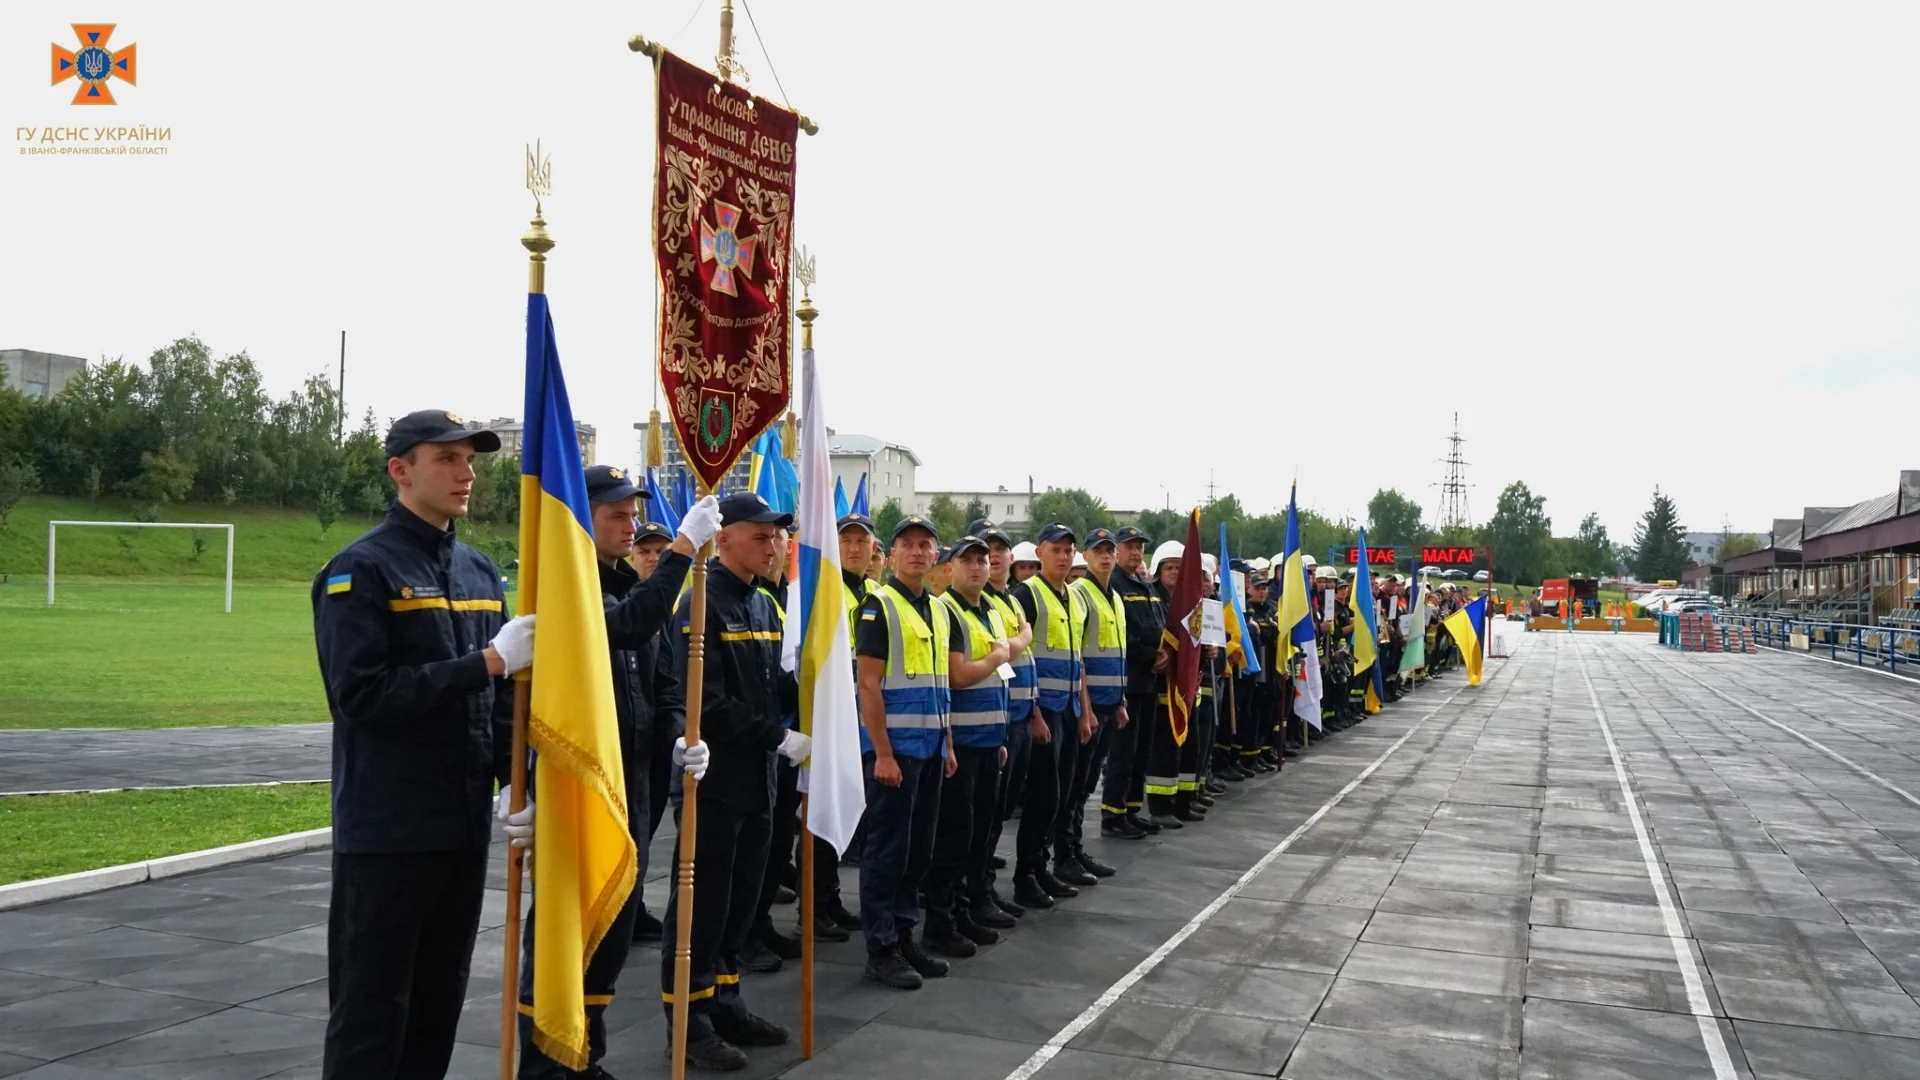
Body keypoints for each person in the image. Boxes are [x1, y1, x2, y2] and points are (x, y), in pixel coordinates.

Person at [313, 410, 531, 1080]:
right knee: (373, 1012)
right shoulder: (361, 570)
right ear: (400, 470)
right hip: (389, 831)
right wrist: (487, 664)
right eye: (447, 459)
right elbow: (361, 698)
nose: (466, 474)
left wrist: (516, 783)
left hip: (459, 826)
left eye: (471, 460)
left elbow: (495, 709)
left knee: (439, 1004)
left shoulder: (477, 570)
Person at [514, 467, 717, 1079]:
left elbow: (658, 687)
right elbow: (628, 628)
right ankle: (546, 1061)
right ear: (583, 519)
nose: (630, 527)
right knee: (563, 931)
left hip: (632, 786)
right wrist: (681, 550)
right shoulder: (567, 589)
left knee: (614, 927)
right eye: (616, 516)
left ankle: (586, 1053)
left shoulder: (624, 583)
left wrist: (682, 736)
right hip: (576, 790)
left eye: (634, 515)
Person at [659, 492, 811, 1072]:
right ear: (722, 540)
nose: (772, 546)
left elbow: (775, 689)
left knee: (743, 901)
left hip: (760, 783)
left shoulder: (766, 608)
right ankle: (689, 1019)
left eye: (776, 537)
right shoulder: (698, 604)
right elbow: (706, 702)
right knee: (701, 907)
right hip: (714, 781)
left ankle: (726, 1000)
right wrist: (778, 736)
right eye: (759, 536)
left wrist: (815, 695)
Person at [855, 514, 965, 989]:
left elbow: (943, 684)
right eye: (908, 545)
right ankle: (881, 949)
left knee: (918, 851)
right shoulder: (878, 606)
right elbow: (868, 685)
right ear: (892, 553)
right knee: (887, 853)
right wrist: (881, 752)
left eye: (926, 545)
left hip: (931, 749)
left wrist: (948, 743)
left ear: (936, 556)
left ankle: (903, 936)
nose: (918, 552)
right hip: (893, 754)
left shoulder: (940, 611)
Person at [924, 534, 1019, 957]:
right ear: (950, 569)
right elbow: (958, 676)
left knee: (980, 833)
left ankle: (968, 907)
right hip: (959, 742)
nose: (979, 567)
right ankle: (941, 921)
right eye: (968, 561)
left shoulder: (990, 614)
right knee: (954, 839)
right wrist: (999, 657)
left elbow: (998, 681)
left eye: (984, 560)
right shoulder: (947, 611)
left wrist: (998, 736)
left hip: (986, 740)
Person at [1013, 522, 1096, 905]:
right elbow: (1022, 661)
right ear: (1040, 554)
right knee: (1043, 796)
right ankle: (1026, 874)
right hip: (1043, 711)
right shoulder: (1026, 595)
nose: (1063, 557)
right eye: (1055, 550)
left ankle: (1041, 866)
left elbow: (1076, 658)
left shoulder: (1074, 599)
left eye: (1068, 551)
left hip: (1068, 709)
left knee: (1061, 794)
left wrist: (1085, 712)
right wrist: (1034, 715)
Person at [975, 518, 1038, 923]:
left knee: (1000, 809)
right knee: (983, 815)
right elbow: (1007, 652)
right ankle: (976, 890)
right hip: (992, 722)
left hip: (1016, 715)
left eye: (999, 549)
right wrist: (1021, 639)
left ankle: (983, 887)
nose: (993, 556)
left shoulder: (1010, 601)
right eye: (985, 550)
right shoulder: (977, 603)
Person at [1062, 528, 1126, 880]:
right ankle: (1064, 854)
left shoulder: (1114, 597)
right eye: (1098, 551)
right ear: (1084, 557)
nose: (1105, 557)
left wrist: (1121, 700)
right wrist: (1085, 709)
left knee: (1086, 785)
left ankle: (1074, 849)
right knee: (1075, 785)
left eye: (1109, 551)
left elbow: (1117, 651)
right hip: (1087, 708)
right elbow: (1078, 657)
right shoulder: (1079, 595)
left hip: (1108, 703)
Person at [630, 519, 681, 945]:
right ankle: (627, 907)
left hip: (664, 739)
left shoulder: (686, 607)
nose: (652, 559)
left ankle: (635, 904)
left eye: (662, 553)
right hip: (632, 738)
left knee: (648, 831)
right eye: (644, 551)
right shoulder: (628, 603)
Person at [1101, 526, 1163, 839]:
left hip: (1149, 680)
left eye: (1140, 546)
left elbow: (1157, 624)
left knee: (1141, 751)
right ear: (1116, 550)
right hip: (1129, 678)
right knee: (1123, 751)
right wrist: (1152, 654)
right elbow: (1123, 635)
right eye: (1129, 547)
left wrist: (1165, 652)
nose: (1136, 552)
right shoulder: (1114, 584)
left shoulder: (1144, 583)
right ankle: (1113, 814)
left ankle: (1132, 810)